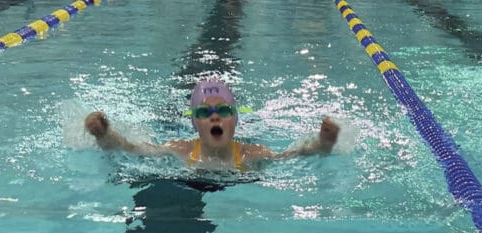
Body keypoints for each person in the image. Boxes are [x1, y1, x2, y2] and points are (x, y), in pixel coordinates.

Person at [84, 79, 340, 171]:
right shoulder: (180, 149)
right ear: (195, 124)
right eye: (205, 112)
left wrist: (324, 143)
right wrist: (104, 134)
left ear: (235, 121)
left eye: (224, 110)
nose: (215, 117)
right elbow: (130, 149)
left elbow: (296, 155)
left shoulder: (253, 154)